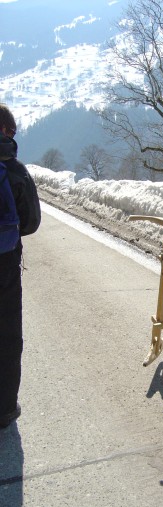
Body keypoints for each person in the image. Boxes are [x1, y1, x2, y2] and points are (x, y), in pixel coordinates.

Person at [0, 104, 41, 429]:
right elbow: (30, 222)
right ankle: (5, 408)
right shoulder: (15, 170)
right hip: (5, 262)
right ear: (9, 132)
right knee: (8, 333)